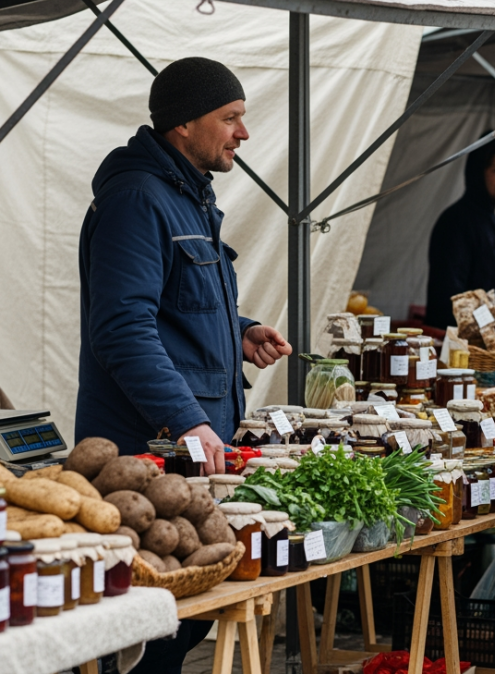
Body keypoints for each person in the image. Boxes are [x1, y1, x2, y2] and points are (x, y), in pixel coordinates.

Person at [77, 57, 292, 672]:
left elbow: (175, 304)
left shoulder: (185, 195)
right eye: (230, 118)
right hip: (145, 452)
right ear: (183, 124)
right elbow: (122, 329)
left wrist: (239, 331)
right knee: (147, 630)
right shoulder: (136, 200)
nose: (242, 133)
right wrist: (186, 417)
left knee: (181, 619)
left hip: (188, 452)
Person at [425, 139, 495, 328]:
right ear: (478, 172)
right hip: (463, 341)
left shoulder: (493, 223)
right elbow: (450, 298)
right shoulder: (455, 222)